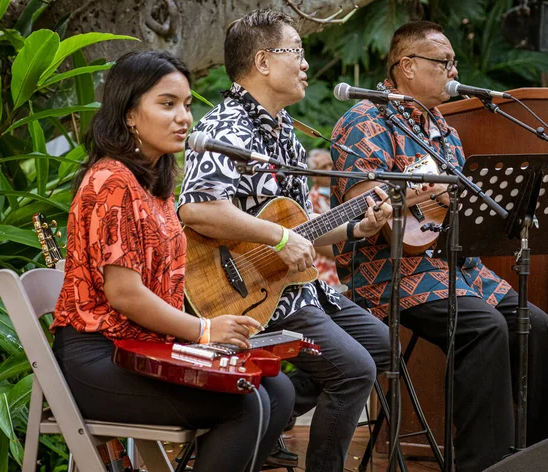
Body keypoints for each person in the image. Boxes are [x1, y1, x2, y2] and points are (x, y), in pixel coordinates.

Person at [330, 21, 548, 472]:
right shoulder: (362, 122)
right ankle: (485, 464)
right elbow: (369, 211)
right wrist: (413, 200)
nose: (452, 70)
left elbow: (444, 214)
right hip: (390, 273)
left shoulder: (442, 127)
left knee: (533, 323)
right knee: (484, 326)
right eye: (443, 62)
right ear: (406, 66)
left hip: (455, 266)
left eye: (453, 62)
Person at [51, 51, 295, 472]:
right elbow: (124, 294)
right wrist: (203, 330)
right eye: (167, 104)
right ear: (130, 114)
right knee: (245, 404)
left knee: (280, 389)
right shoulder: (112, 181)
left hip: (143, 349)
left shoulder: (155, 186)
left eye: (187, 105)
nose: (184, 117)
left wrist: (211, 335)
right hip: (98, 359)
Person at [178, 10, 392, 472]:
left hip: (293, 285)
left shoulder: (284, 129)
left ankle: (260, 424)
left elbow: (301, 227)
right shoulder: (227, 127)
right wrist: (276, 237)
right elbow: (197, 208)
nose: (306, 65)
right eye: (296, 52)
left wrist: (358, 227)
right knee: (355, 371)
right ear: (262, 61)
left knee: (380, 344)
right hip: (244, 294)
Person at [307, 149, 342, 288]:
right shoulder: (310, 200)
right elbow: (316, 240)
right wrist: (347, 256)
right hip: (327, 270)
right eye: (323, 167)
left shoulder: (343, 192)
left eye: (330, 165)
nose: (329, 170)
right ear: (314, 176)